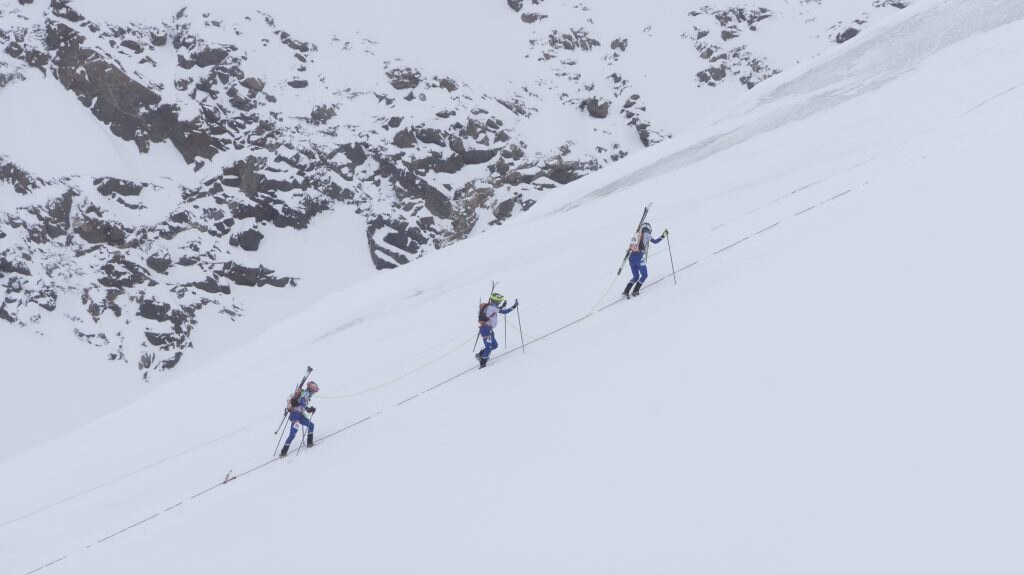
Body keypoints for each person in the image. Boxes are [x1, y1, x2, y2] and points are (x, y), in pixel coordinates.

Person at [623, 222, 668, 298]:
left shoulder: (637, 234)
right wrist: (664, 235)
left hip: (631, 258)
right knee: (644, 275)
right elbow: (655, 242)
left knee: (635, 276)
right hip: (639, 258)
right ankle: (635, 291)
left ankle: (626, 291)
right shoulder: (647, 234)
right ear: (649, 229)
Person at [475, 292, 518, 368]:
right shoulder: (492, 307)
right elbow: (504, 312)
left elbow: (500, 310)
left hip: (489, 330)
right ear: (496, 301)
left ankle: (480, 354)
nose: (500, 303)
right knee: (488, 347)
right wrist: (514, 306)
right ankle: (483, 363)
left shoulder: (491, 307)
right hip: (486, 330)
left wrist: (504, 305)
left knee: (494, 345)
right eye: (499, 301)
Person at [280, 381, 318, 457]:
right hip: (295, 416)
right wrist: (309, 409)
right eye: (314, 390)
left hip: (300, 415)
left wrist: (310, 408)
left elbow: (303, 404)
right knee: (292, 435)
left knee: (311, 425)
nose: (314, 392)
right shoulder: (305, 393)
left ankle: (309, 442)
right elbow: (303, 403)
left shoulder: (307, 394)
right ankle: (283, 452)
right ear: (311, 389)